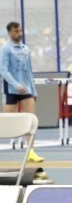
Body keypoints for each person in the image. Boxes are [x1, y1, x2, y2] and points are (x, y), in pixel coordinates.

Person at [1, 21, 43, 162]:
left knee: (31, 121)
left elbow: (29, 71)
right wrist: (16, 84)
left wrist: (34, 90)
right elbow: (3, 70)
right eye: (16, 31)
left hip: (26, 90)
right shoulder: (6, 48)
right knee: (6, 122)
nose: (19, 33)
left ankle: (31, 152)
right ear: (10, 32)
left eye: (20, 31)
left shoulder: (25, 49)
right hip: (12, 90)